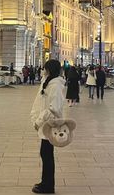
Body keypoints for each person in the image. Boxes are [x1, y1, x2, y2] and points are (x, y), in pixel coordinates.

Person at [30, 59, 65, 194]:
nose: (43, 71)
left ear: (49, 69)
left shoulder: (55, 85)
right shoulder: (50, 83)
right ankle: (45, 182)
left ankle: (48, 186)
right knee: (45, 154)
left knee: (47, 154)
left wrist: (39, 120)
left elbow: (54, 108)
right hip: (46, 125)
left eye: (45, 68)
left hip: (49, 125)